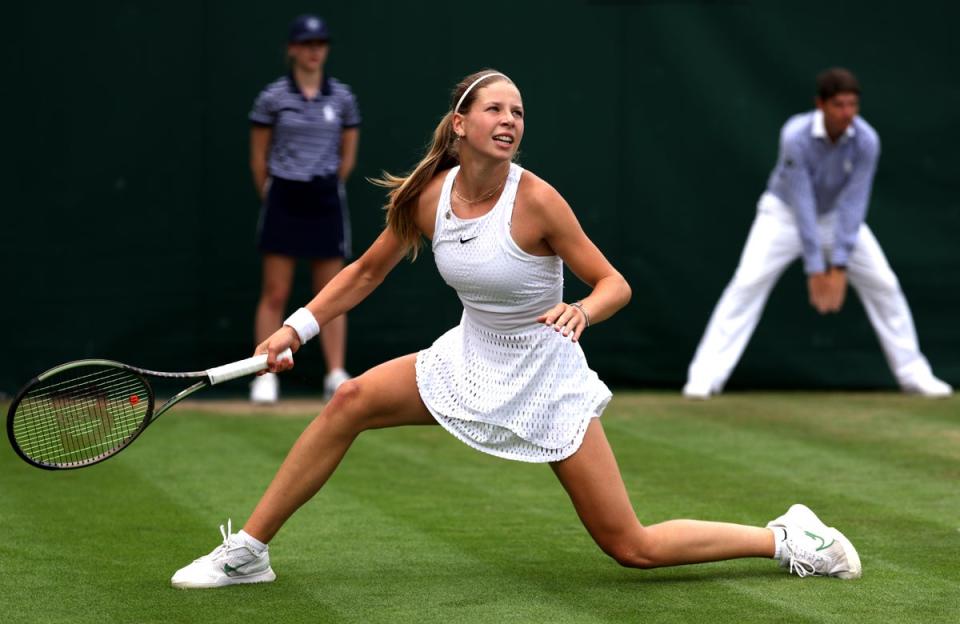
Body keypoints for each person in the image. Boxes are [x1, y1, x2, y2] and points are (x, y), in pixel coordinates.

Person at [170, 70, 861, 589]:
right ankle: (249, 552)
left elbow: (615, 282)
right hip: (467, 357)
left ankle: (788, 537)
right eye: (495, 108)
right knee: (347, 402)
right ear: (461, 124)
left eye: (518, 111)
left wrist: (582, 310)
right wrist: (297, 326)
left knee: (630, 545)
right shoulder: (430, 196)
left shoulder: (537, 201)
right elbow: (366, 272)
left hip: (543, 377)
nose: (509, 120)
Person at [683, 68, 952, 400]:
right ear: (820, 105)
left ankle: (914, 375)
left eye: (853, 105)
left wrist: (838, 264)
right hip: (783, 215)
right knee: (746, 283)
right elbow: (803, 202)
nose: (847, 113)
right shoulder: (795, 136)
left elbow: (855, 203)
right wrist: (815, 268)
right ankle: (704, 377)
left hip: (838, 217)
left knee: (885, 283)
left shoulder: (867, 140)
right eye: (839, 105)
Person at [248, 14, 360, 403]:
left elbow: (347, 157)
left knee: (331, 291)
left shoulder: (342, 98)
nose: (314, 51)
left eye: (320, 44)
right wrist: (278, 190)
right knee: (275, 291)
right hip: (284, 197)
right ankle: (263, 371)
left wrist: (323, 182)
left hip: (325, 197)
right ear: (293, 49)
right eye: (307, 44)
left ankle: (335, 373)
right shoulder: (273, 97)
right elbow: (258, 157)